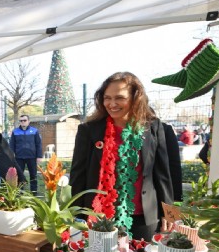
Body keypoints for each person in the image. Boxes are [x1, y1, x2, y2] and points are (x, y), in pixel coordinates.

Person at [69, 72, 174, 241]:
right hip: (100, 217)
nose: (112, 104)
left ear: (135, 98)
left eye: (119, 98)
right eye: (107, 98)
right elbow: (78, 175)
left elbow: (164, 175)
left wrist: (171, 214)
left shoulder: (153, 128)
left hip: (144, 217)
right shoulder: (89, 130)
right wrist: (75, 215)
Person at [9, 114, 43, 194]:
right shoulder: (15, 132)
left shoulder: (34, 131)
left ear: (28, 121)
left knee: (33, 175)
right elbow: (12, 145)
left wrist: (39, 156)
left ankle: (34, 192)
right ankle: (20, 192)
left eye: (25, 120)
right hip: (19, 157)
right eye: (21, 121)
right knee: (19, 175)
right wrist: (11, 155)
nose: (23, 122)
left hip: (32, 157)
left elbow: (38, 144)